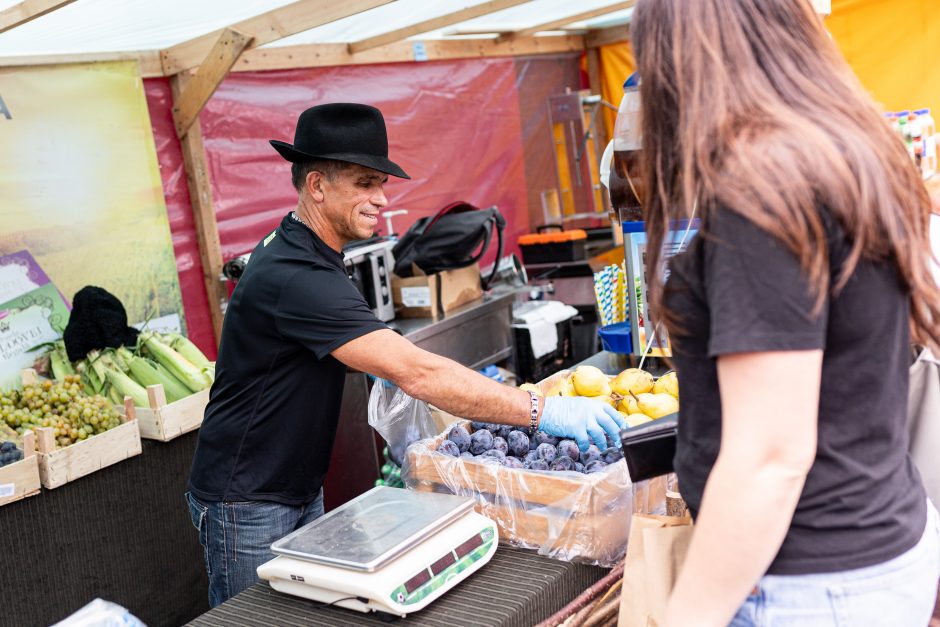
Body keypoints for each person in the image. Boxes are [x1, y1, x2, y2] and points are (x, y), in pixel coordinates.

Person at [185, 103, 625, 607]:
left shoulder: (306, 249)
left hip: (292, 481)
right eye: (364, 183)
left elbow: (334, 347)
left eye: (381, 183)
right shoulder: (296, 274)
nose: (380, 198)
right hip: (246, 497)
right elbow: (417, 372)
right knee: (256, 622)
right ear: (317, 186)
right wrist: (541, 411)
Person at [627, 0, 940, 625]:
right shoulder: (847, 150)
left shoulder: (760, 191)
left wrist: (685, 617)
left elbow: (771, 456)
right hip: (876, 540)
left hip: (808, 581)